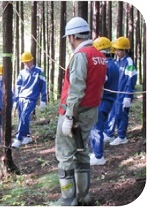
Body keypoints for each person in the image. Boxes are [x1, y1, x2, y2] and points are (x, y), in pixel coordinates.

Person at [54, 17, 107, 205]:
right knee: (82, 151)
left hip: (75, 113)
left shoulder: (80, 55)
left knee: (65, 155)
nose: (69, 41)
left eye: (69, 37)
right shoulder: (99, 55)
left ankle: (68, 200)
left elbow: (76, 89)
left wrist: (69, 115)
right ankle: (84, 196)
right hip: (90, 112)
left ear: (72, 36)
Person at [89, 37, 119, 166]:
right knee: (98, 127)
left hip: (102, 101)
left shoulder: (105, 66)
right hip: (109, 100)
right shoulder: (114, 64)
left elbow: (100, 83)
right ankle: (96, 152)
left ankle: (98, 156)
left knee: (96, 128)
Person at [103, 36, 137, 146]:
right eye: (116, 49)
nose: (117, 52)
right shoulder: (117, 62)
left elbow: (131, 79)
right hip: (115, 94)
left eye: (119, 50)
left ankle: (122, 136)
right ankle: (109, 133)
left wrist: (128, 95)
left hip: (124, 94)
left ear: (125, 50)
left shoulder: (129, 62)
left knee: (122, 115)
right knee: (112, 113)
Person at [12, 52, 47, 148]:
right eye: (25, 62)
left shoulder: (39, 71)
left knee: (24, 117)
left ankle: (18, 138)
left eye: (28, 61)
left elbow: (43, 85)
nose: (27, 64)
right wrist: (15, 100)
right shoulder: (22, 72)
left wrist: (43, 99)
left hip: (31, 99)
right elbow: (17, 86)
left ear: (32, 60)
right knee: (21, 119)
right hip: (21, 98)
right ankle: (26, 137)